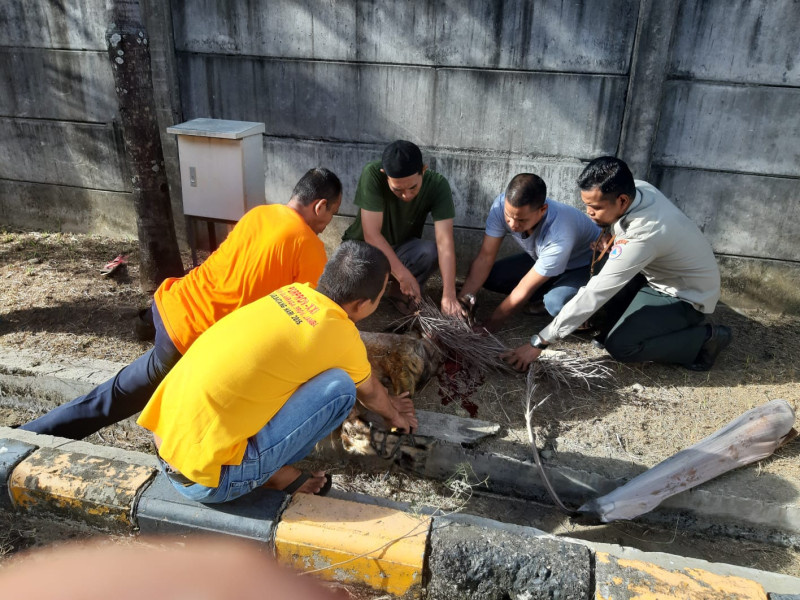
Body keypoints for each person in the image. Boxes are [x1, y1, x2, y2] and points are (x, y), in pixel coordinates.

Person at [21, 168, 343, 439]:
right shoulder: (310, 248)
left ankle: (28, 433)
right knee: (120, 401)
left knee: (114, 394)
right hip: (188, 337)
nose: (328, 222)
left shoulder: (260, 213)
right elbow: (310, 320)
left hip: (172, 303)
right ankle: (29, 437)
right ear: (320, 206)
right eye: (332, 213)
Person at [138, 241, 417, 502]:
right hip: (208, 482)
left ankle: (257, 461)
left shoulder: (288, 293)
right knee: (342, 387)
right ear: (362, 305)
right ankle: (272, 476)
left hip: (164, 447)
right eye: (380, 297)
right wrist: (395, 415)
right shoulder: (340, 333)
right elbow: (369, 393)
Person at [504, 156, 732, 372]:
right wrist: (608, 231)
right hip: (656, 277)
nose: (589, 213)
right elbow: (618, 227)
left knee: (620, 345)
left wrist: (539, 342)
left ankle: (706, 339)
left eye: (596, 208)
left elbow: (596, 291)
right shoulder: (639, 188)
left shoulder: (645, 233)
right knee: (607, 267)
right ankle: (616, 322)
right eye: (586, 205)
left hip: (686, 296)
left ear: (622, 200)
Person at [458, 173, 600, 331]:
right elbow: (485, 258)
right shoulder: (500, 206)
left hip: (584, 267)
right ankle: (546, 295)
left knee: (556, 303)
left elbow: (524, 287)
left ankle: (591, 314)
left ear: (543, 209)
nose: (512, 224)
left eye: (521, 220)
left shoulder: (560, 232)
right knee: (491, 276)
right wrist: (461, 303)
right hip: (547, 262)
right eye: (508, 216)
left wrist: (490, 325)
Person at [342, 140, 463, 317]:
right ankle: (391, 286)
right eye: (397, 189)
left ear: (423, 170)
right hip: (364, 252)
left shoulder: (438, 185)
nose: (406, 195)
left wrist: (449, 295)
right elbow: (372, 235)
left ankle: (399, 293)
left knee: (430, 252)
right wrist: (403, 275)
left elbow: (445, 242)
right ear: (385, 175)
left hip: (403, 251)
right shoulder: (372, 174)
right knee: (350, 292)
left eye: (413, 187)